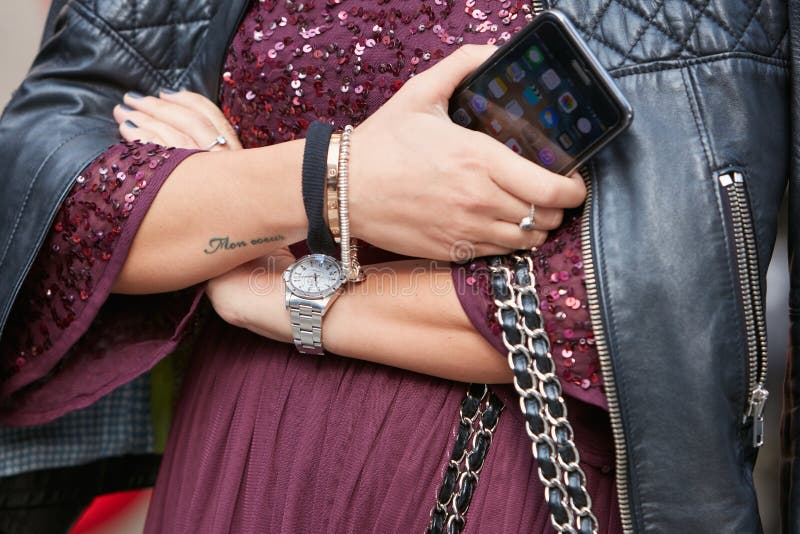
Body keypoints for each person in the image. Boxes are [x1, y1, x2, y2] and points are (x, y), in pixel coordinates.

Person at [0, 0, 794, 533]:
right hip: (234, 457)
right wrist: (333, 180)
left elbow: (648, 317)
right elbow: (61, 209)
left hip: (492, 474)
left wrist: (265, 286)